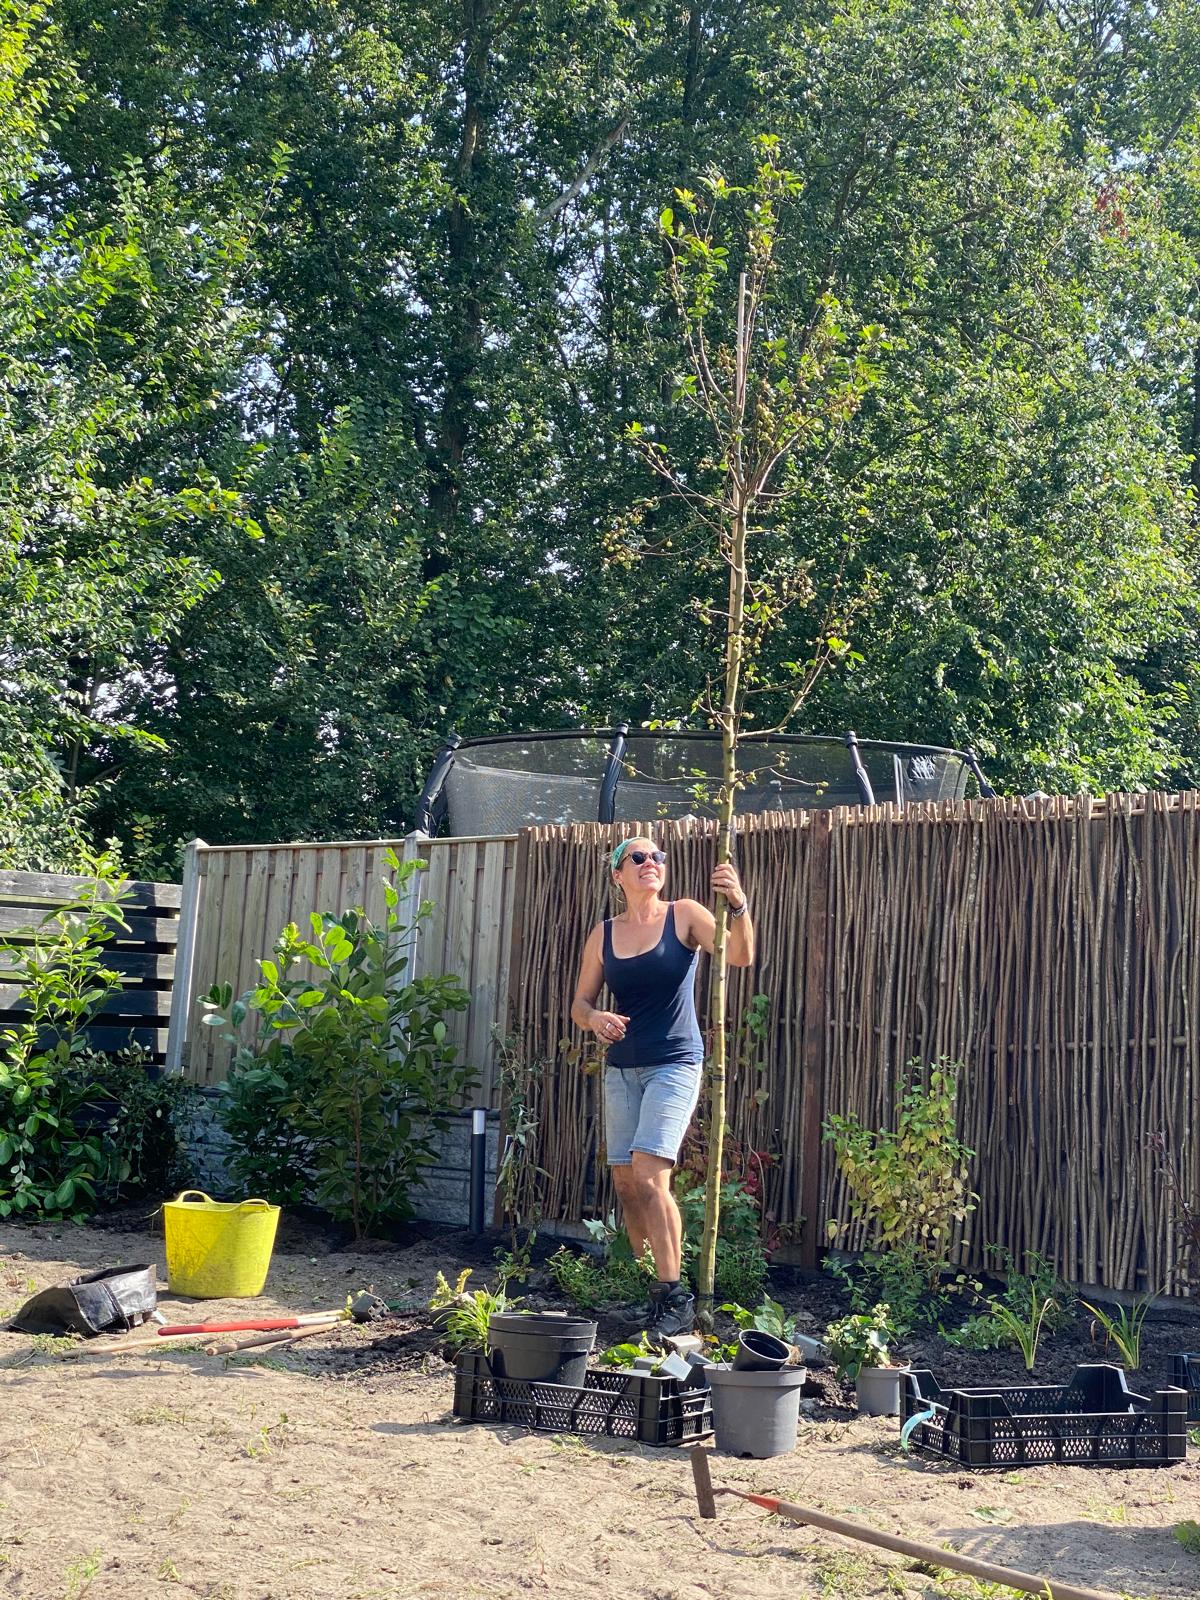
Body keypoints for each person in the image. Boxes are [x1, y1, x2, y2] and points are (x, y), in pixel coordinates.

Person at [570, 834, 755, 1338]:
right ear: (618, 875)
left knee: (651, 1175)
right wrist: (595, 1019)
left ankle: (676, 1298)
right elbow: (580, 1004)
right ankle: (650, 1291)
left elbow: (739, 955)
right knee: (627, 1186)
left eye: (657, 857)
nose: (650, 862)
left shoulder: (685, 914)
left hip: (674, 1063)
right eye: (638, 857)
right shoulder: (604, 934)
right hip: (621, 1068)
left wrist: (738, 903)